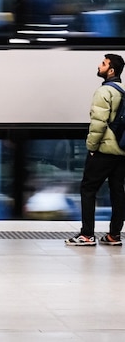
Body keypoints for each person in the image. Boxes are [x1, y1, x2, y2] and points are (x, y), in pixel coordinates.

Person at [65, 54, 125, 247]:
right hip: (121, 150)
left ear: (111, 70)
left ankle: (87, 235)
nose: (99, 66)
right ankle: (114, 235)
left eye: (103, 64)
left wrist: (92, 147)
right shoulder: (123, 90)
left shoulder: (104, 92)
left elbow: (98, 124)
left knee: (88, 189)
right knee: (117, 191)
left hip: (105, 150)